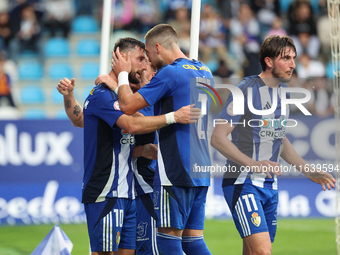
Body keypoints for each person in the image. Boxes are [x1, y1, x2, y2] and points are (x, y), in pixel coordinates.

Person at [57, 37, 199, 255]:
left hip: (128, 193)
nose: (145, 65)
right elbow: (128, 124)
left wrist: (140, 150)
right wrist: (174, 117)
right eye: (140, 59)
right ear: (121, 58)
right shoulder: (103, 95)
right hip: (106, 191)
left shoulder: (125, 96)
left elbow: (87, 121)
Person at [210, 35, 335, 255]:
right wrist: (252, 163)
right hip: (243, 181)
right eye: (286, 58)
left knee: (251, 252)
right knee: (263, 252)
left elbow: (280, 139)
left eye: (293, 58)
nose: (293, 65)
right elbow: (218, 137)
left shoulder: (281, 95)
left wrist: (308, 171)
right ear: (269, 61)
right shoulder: (246, 90)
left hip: (270, 185)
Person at [107, 24, 213, 255]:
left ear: (157, 47)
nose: (149, 61)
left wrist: (120, 77)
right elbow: (163, 100)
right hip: (202, 167)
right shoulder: (204, 70)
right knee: (193, 242)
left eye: (148, 54)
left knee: (167, 241)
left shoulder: (171, 72)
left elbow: (127, 105)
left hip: (176, 168)